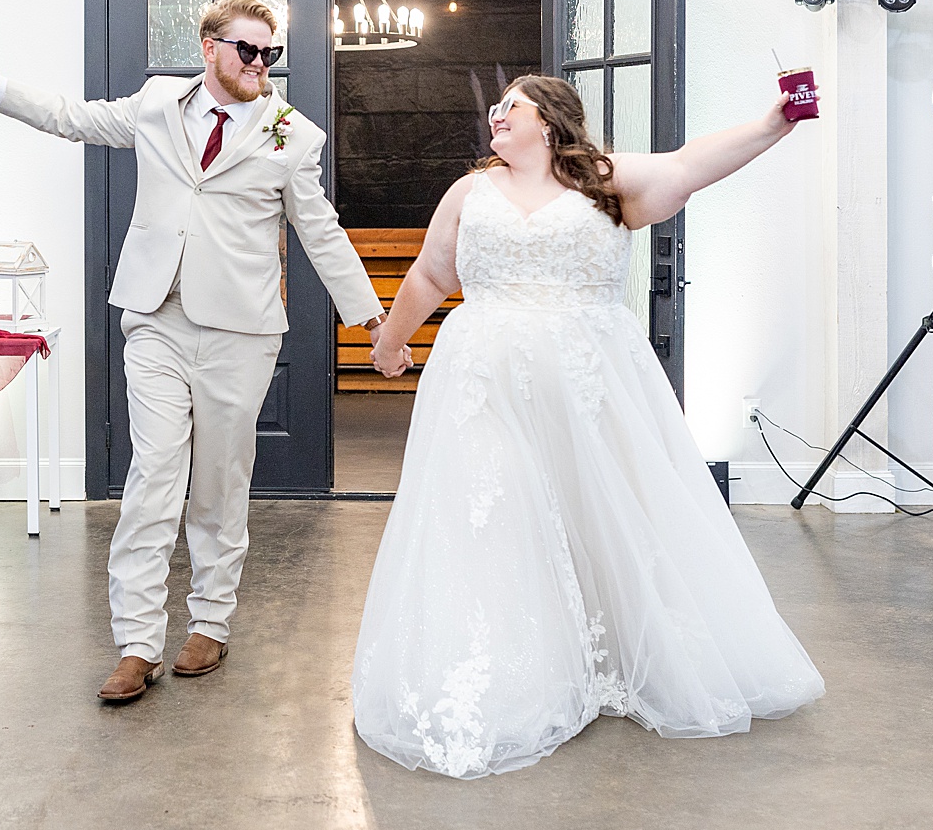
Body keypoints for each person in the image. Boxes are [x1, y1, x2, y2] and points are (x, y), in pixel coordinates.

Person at [351, 76, 825, 778]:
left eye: (509, 105)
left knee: (601, 509)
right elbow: (429, 273)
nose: (496, 117)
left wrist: (771, 123)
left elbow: (690, 164)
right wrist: (392, 341)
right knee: (496, 514)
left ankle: (615, 650)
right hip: (483, 384)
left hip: (589, 381)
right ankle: (519, 665)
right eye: (494, 109)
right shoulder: (469, 191)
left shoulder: (604, 179)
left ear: (548, 119)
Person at [0, 0, 402, 702]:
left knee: (218, 482)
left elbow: (322, 232)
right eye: (246, 49)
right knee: (153, 477)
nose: (258, 64)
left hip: (240, 332)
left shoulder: (291, 134)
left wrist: (373, 321)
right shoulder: (158, 103)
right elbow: (71, 117)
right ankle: (136, 642)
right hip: (155, 317)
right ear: (211, 46)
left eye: (269, 53)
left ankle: (211, 623)